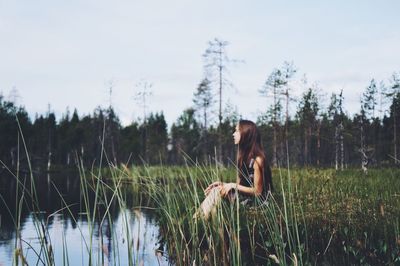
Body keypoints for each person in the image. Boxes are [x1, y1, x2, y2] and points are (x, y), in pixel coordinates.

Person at [195, 119, 273, 219]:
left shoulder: (258, 160)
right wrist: (222, 184)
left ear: (246, 134)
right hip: (246, 200)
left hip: (258, 206)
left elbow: (257, 191)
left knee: (217, 192)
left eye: (237, 131)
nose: (233, 134)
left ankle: (198, 221)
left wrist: (231, 185)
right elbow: (239, 187)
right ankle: (201, 220)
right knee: (217, 190)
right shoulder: (243, 158)